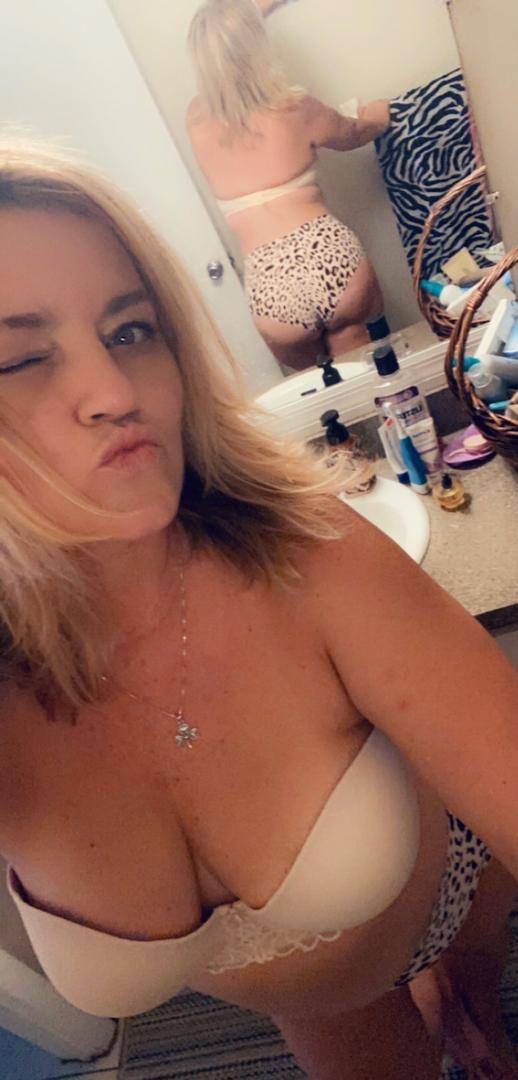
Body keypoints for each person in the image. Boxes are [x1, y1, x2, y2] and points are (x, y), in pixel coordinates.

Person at [0, 134, 518, 1080]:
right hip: (313, 1001)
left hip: (444, 889)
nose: (113, 392)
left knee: (477, 1021)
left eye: (130, 330)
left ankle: (462, 997)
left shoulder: (308, 556)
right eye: (19, 360)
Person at [186, 0, 389, 372]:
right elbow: (356, 133)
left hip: (271, 285)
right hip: (328, 257)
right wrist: (377, 113)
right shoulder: (294, 107)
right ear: (257, 46)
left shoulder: (196, 120)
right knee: (371, 375)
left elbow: (227, 42)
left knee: (326, 392)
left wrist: (249, 14)